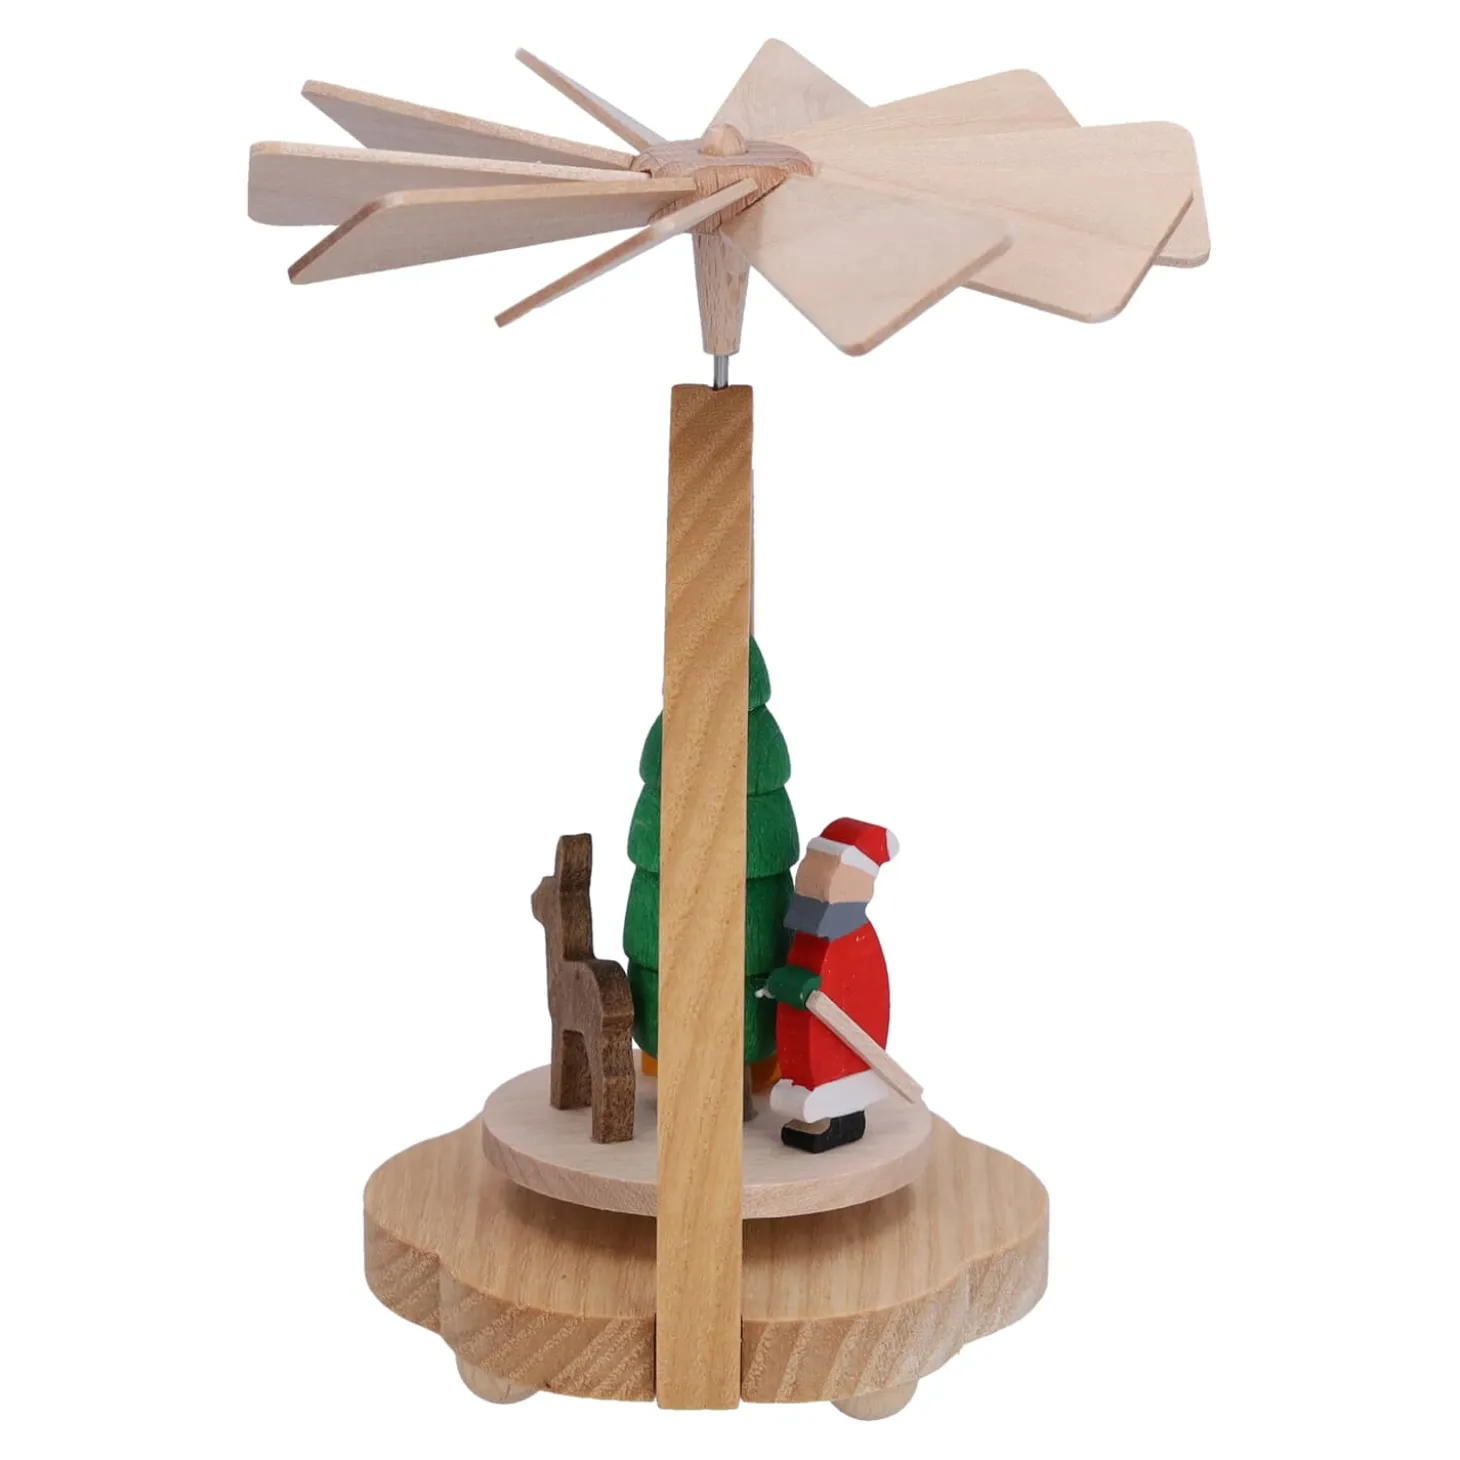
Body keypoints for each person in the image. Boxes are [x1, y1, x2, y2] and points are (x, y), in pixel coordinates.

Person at [760, 817, 898, 1152]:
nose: (814, 885)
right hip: (811, 1038)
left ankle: (840, 1118)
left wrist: (803, 989)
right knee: (806, 1061)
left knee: (823, 1068)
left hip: (842, 1049)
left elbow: (863, 994)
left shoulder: (856, 941)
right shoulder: (812, 941)